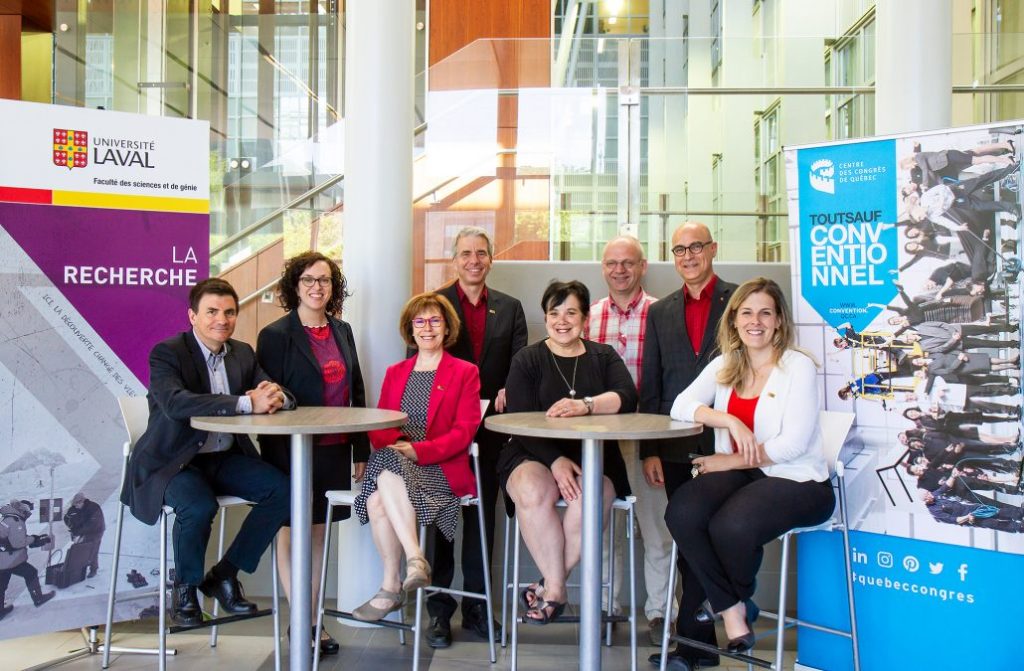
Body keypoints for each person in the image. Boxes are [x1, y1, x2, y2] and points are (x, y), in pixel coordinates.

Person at [664, 277, 835, 655]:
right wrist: (728, 421)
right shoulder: (727, 364)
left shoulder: (798, 367)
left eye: (765, 313)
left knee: (731, 525)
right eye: (746, 313)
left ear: (778, 321)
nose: (755, 321)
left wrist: (728, 459)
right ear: (735, 320)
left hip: (800, 480)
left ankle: (729, 604)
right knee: (683, 511)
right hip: (747, 475)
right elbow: (681, 405)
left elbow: (791, 445)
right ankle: (732, 606)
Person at [121, 278, 292, 626]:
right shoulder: (167, 353)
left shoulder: (242, 352)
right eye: (212, 311)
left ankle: (224, 575)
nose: (222, 320)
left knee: (285, 490)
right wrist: (246, 402)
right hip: (172, 463)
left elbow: (275, 392)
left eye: (229, 312)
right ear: (193, 316)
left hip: (223, 457)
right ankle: (185, 589)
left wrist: (277, 395)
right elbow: (175, 403)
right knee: (199, 506)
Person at [499, 280, 638, 625]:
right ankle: (558, 588)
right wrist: (555, 460)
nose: (562, 320)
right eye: (554, 312)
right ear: (545, 317)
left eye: (571, 312)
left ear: (585, 317)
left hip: (592, 456)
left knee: (588, 496)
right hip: (530, 452)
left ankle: (550, 585)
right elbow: (519, 419)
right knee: (534, 489)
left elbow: (627, 395)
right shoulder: (527, 359)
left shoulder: (603, 356)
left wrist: (586, 405)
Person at [256, 251, 370, 655]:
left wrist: (361, 446)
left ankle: (314, 618)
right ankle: (301, 620)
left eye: (324, 280)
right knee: (291, 531)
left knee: (319, 533)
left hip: (335, 448)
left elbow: (356, 390)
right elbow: (269, 401)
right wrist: (274, 456)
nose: (317, 287)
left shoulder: (343, 330)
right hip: (291, 451)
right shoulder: (275, 335)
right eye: (308, 280)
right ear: (295, 286)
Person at [640, 221, 736, 670]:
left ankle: (696, 644)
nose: (688, 256)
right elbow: (652, 383)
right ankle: (699, 645)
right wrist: (649, 449)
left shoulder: (740, 303)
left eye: (695, 247)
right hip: (676, 447)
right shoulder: (660, 312)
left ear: (712, 249)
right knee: (687, 537)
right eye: (679, 250)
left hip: (730, 442)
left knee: (714, 538)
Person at [351, 292, 482, 623]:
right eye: (420, 321)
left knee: (381, 485)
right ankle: (413, 560)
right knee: (381, 486)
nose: (427, 328)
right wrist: (401, 447)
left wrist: (418, 450)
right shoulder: (396, 372)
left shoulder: (465, 372)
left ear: (447, 327)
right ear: (410, 329)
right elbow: (380, 425)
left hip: (441, 467)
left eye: (435, 320)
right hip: (398, 465)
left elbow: (464, 431)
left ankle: (391, 586)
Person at [429, 226, 527, 646]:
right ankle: (438, 611)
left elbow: (522, 362)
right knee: (440, 519)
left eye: (481, 253)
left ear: (491, 259)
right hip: (443, 430)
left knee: (480, 520)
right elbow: (421, 358)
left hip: (489, 431)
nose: (474, 260)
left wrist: (511, 387)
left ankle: (478, 609)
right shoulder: (435, 304)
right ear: (455, 259)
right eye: (466, 253)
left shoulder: (510, 307)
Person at [588, 235, 676, 645]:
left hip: (646, 436)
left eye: (628, 263)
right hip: (602, 437)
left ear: (642, 267)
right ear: (603, 268)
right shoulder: (589, 316)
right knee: (603, 525)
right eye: (612, 263)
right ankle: (608, 606)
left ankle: (661, 613)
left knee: (656, 528)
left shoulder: (662, 313)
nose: (619, 270)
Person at [0, 500, 54, 619]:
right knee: (31, 573)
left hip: (2, 559)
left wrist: (33, 540)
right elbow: (18, 543)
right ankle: (38, 599)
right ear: (21, 511)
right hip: (10, 560)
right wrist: (34, 539)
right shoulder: (16, 521)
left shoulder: (6, 519)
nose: (28, 514)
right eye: (27, 512)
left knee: (1, 585)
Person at [63, 492, 105, 579]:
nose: (76, 507)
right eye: (74, 505)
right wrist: (71, 526)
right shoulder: (74, 508)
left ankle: (93, 569)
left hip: (96, 532)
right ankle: (80, 569)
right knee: (79, 550)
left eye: (77, 505)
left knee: (93, 550)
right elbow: (67, 517)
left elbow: (92, 524)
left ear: (81, 501)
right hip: (82, 532)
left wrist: (78, 531)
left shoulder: (93, 507)